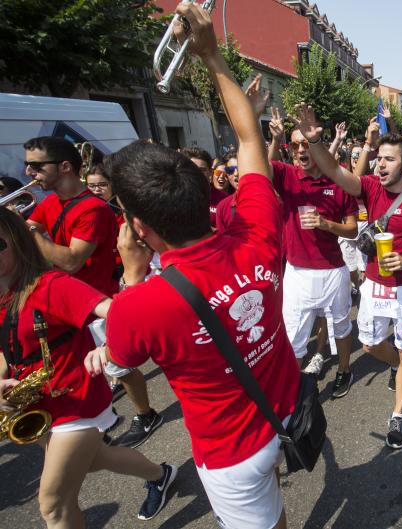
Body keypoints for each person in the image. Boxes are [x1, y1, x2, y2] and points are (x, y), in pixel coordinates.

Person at [84, 6, 299, 527]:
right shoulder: (256, 231)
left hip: (232, 453)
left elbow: (118, 361)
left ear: (139, 228)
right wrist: (210, 54)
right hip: (286, 405)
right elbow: (250, 141)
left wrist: (130, 280)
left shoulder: (139, 305)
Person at [0, 208, 175, 526]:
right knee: (96, 460)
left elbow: (126, 313)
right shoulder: (3, 296)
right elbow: (6, 351)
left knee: (54, 506)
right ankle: (161, 474)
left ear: (19, 244)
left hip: (76, 399)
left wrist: (111, 348)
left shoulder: (50, 286)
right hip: (36, 404)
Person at [294, 103, 402, 449]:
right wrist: (315, 140)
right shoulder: (370, 188)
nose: (380, 164)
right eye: (379, 158)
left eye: (388, 159)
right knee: (370, 343)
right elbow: (333, 171)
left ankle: (398, 414)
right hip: (375, 286)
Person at [261, 107, 358, 393]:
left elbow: (352, 229)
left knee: (341, 326)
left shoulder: (339, 180)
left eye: (306, 144)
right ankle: (292, 386)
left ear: (316, 145)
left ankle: (344, 369)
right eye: (295, 145)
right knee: (293, 336)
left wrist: (327, 224)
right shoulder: (287, 175)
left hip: (332, 271)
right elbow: (264, 171)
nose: (301, 150)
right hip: (298, 273)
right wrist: (276, 141)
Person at [24, 137, 118, 297]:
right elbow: (20, 237)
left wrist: (27, 230)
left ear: (65, 166)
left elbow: (71, 262)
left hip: (92, 300)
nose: (28, 172)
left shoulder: (94, 208)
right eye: (27, 165)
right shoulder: (50, 201)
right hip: (64, 292)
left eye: (36, 166)